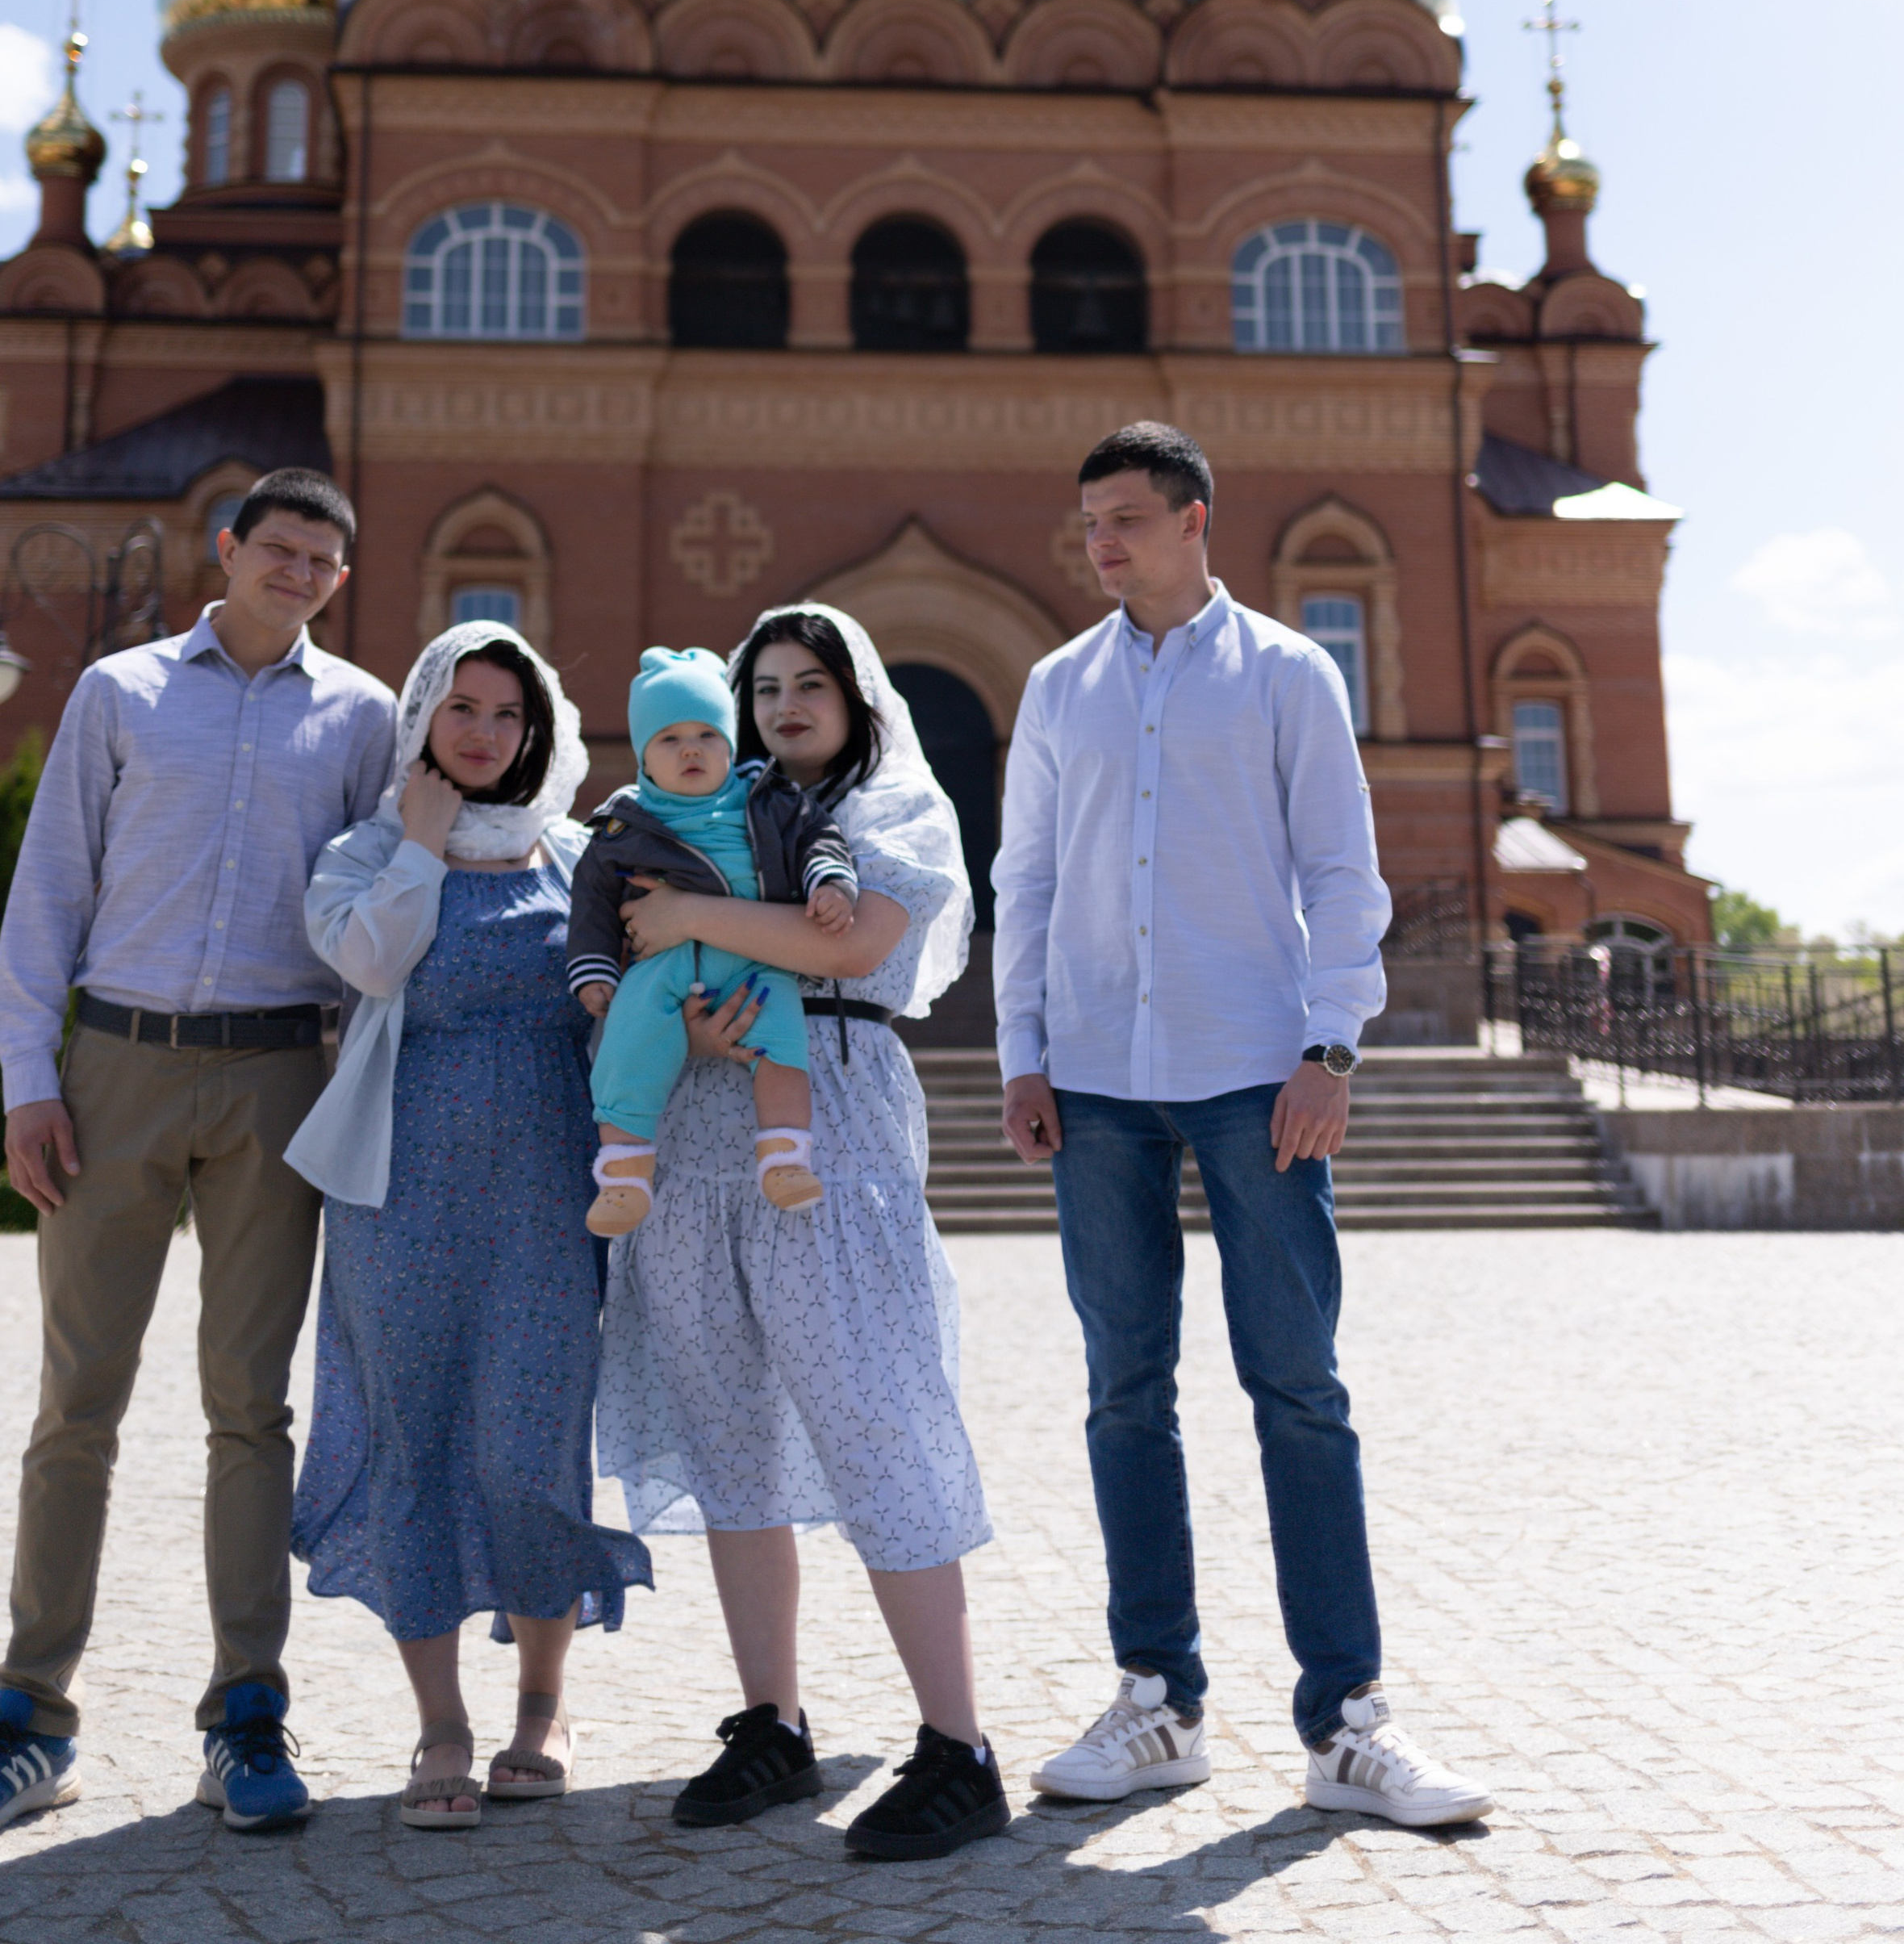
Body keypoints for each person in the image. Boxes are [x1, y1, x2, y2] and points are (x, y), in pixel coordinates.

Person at [994, 422, 1493, 1829]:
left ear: (1196, 518)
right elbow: (1022, 876)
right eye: (1090, 521)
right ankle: (1160, 1705)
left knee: (1299, 1390)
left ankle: (1345, 1725)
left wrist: (1333, 1047)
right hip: (1095, 1082)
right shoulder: (1055, 687)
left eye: (1129, 519)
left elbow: (1343, 871)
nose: (1104, 543)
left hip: (1255, 1076)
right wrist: (1024, 1051)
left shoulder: (1286, 672)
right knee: (1121, 1395)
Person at [0, 470, 397, 1844]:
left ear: (338, 580)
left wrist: (362, 1101)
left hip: (277, 1082)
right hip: (113, 1069)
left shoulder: (360, 718)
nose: (297, 571)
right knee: (78, 1405)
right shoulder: (118, 693)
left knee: (251, 1409)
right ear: (226, 550)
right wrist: (27, 1080)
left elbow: (366, 917)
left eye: (322, 559)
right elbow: (49, 887)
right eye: (279, 549)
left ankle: (245, 1714)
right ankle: (28, 1722)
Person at [595, 603, 1008, 1863]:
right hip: (698, 1116)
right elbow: (630, 917)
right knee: (728, 1423)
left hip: (831, 1120)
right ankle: (773, 1720)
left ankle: (960, 1747)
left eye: (807, 683)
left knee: (875, 1411)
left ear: (857, 696)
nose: (782, 705)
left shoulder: (892, 813)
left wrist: (691, 921)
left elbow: (856, 940)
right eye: (761, 684)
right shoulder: (716, 801)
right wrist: (680, 947)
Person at [286, 619, 651, 1829]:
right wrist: (423, 850)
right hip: (400, 1200)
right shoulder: (366, 851)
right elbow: (375, 966)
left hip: (550, 1200)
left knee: (528, 1447)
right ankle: (440, 1724)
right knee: (418, 1442)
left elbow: (631, 1002)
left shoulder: (579, 857)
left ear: (537, 726)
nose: (487, 733)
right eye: (463, 710)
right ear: (424, 720)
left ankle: (541, 1708)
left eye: (508, 714)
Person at [566, 643, 860, 1235]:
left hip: (757, 956)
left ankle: (784, 1157)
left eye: (708, 734)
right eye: (669, 739)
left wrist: (831, 884)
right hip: (663, 964)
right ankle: (623, 1175)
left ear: (731, 743)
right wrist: (595, 970)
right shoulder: (621, 824)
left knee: (781, 1042)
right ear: (643, 755)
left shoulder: (768, 800)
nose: (692, 748)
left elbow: (818, 840)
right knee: (628, 1040)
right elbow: (592, 901)